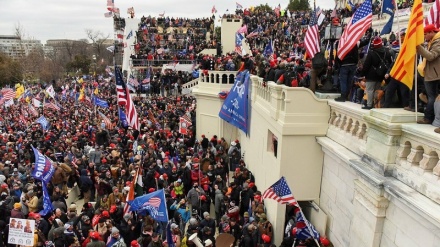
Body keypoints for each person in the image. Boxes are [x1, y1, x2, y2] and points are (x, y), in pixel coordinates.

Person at [358, 37, 393, 109]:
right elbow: (390, 63)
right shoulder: (387, 52)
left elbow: (366, 65)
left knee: (370, 90)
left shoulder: (371, 53)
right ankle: (376, 105)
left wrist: (362, 74)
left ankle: (369, 105)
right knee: (377, 91)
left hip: (371, 75)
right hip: (381, 75)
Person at [416, 24, 440, 124]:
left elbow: (431, 56)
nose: (424, 37)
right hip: (431, 74)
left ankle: (429, 118)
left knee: (432, 97)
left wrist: (419, 47)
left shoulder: (438, 42)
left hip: (435, 75)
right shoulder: (431, 42)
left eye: (425, 34)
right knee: (431, 97)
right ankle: (432, 118)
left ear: (431, 32)